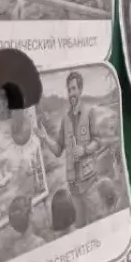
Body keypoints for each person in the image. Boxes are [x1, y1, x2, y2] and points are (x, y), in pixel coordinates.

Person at [36, 71, 103, 229]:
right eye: (69, 89)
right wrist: (45, 138)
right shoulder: (65, 119)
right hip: (73, 187)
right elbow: (58, 150)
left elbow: (98, 141)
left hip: (90, 182)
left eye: (74, 89)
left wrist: (85, 150)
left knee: (97, 223)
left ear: (80, 89)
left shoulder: (90, 112)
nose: (71, 93)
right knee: (80, 227)